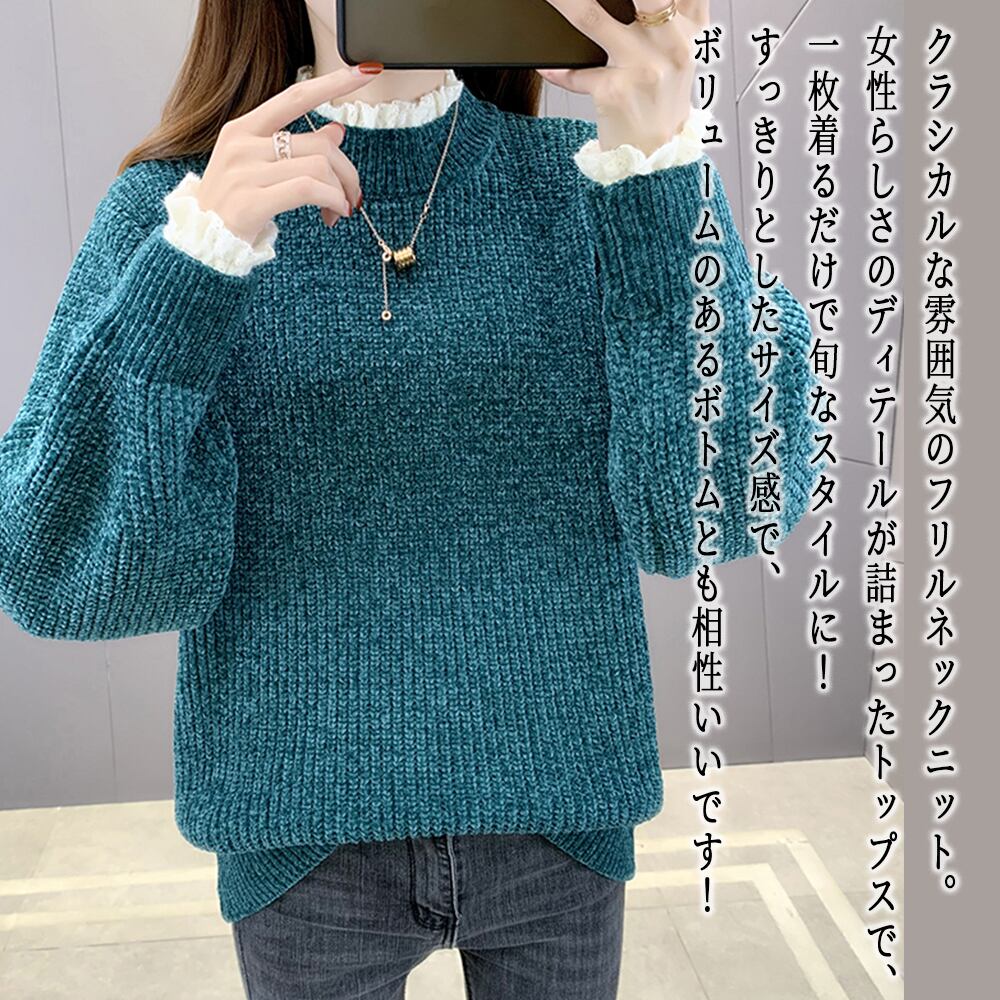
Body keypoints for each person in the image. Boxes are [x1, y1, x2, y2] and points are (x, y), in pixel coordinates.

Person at [0, 1, 823, 997]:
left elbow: (717, 508)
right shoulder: (181, 206)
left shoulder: (595, 179)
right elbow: (57, 569)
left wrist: (659, 166)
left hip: (559, 818)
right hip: (300, 836)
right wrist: (195, 267)